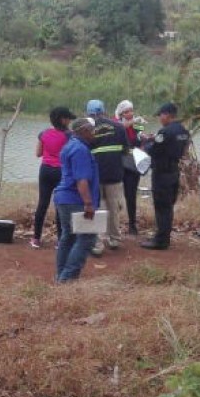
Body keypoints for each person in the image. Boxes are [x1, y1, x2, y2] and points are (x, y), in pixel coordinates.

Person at [54, 117, 101, 283]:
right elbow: (81, 180)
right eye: (93, 131)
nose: (95, 134)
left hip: (63, 198)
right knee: (87, 237)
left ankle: (60, 276)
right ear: (85, 131)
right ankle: (67, 278)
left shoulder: (70, 146)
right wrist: (88, 204)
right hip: (75, 199)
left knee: (68, 236)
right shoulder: (80, 150)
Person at [141, 102, 190, 250]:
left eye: (161, 115)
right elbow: (183, 148)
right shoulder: (183, 131)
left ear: (168, 114)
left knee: (162, 207)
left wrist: (146, 144)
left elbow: (154, 150)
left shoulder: (165, 132)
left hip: (162, 173)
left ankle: (161, 240)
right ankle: (163, 236)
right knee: (168, 207)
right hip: (174, 171)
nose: (160, 119)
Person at [86, 100, 128, 255]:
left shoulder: (88, 129)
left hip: (95, 175)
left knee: (95, 208)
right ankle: (114, 239)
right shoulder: (119, 127)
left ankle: (97, 243)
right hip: (114, 174)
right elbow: (125, 150)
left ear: (89, 113)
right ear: (104, 111)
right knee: (113, 208)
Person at [31, 106, 75, 249]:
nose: (70, 121)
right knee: (60, 205)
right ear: (63, 120)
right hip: (61, 172)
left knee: (42, 204)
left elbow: (38, 153)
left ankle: (36, 239)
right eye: (68, 118)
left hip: (45, 171)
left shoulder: (43, 133)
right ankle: (60, 240)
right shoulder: (70, 136)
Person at [114, 100, 146, 235]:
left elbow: (141, 139)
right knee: (112, 194)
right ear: (121, 113)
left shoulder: (137, 124)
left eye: (131, 111)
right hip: (117, 163)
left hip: (132, 163)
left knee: (131, 195)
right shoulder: (115, 123)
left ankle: (132, 224)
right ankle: (113, 224)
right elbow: (121, 126)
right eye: (126, 112)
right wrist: (134, 121)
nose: (130, 114)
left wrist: (145, 137)